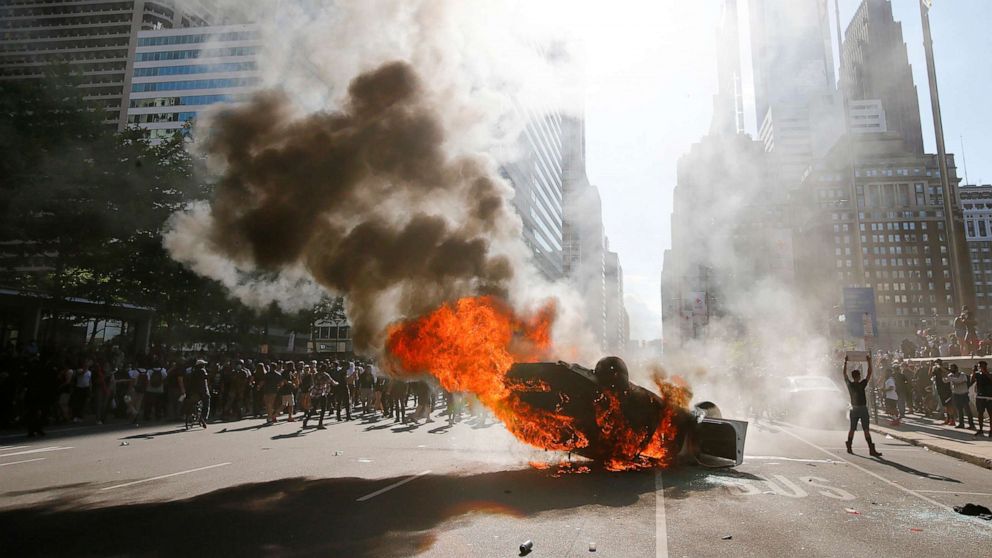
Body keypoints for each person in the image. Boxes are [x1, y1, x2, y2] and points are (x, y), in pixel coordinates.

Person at [843, 354, 882, 457]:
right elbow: (869, 373)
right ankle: (871, 449)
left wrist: (845, 362)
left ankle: (849, 445)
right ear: (859, 376)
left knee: (852, 429)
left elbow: (844, 375)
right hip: (862, 409)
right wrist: (869, 361)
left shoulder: (850, 385)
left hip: (854, 408)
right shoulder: (862, 384)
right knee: (866, 429)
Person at [302, 364, 335, 429]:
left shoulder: (316, 374)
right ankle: (320, 423)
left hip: (314, 392)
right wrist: (337, 383)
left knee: (314, 408)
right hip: (322, 393)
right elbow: (332, 382)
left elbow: (313, 382)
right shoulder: (325, 375)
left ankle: (306, 420)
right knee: (323, 409)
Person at [943, 364, 975, 430]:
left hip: (963, 394)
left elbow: (958, 380)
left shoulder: (962, 375)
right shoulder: (950, 375)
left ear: (956, 369)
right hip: (956, 394)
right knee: (959, 410)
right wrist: (944, 373)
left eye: (952, 368)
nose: (951, 370)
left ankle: (971, 425)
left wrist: (950, 377)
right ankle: (961, 424)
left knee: (967, 410)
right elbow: (944, 380)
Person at [181, 359, 211, 429]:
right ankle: (204, 417)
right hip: (203, 392)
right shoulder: (203, 371)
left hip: (194, 392)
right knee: (207, 403)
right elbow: (207, 377)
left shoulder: (192, 372)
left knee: (193, 402)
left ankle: (191, 414)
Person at [931, 361, 956, 425]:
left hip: (947, 390)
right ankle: (947, 418)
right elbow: (931, 374)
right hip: (940, 390)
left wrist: (940, 367)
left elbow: (948, 373)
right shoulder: (937, 371)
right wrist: (933, 367)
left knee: (949, 406)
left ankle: (952, 420)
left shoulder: (947, 371)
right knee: (945, 406)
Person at [972, 361, 992, 438]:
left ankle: (991, 430)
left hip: (989, 397)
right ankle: (980, 429)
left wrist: (985, 372)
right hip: (980, 397)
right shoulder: (977, 374)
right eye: (979, 366)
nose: (981, 368)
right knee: (980, 414)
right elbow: (972, 380)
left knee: (991, 415)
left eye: (982, 366)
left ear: (986, 366)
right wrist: (974, 372)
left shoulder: (990, 373)